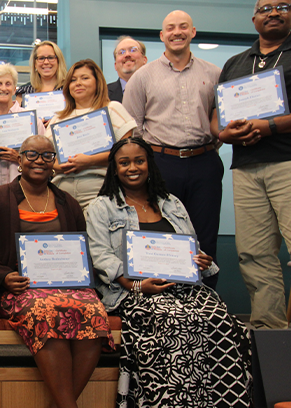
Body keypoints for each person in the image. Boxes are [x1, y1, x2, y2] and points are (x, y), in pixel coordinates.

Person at [86, 137, 252, 407]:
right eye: (124, 162)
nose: (133, 167)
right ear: (114, 168)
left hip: (185, 287)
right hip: (135, 292)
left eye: (139, 161)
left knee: (221, 319)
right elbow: (101, 256)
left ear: (149, 164)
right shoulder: (101, 207)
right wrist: (136, 286)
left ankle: (221, 401)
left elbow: (191, 245)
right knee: (174, 319)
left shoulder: (171, 202)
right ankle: (175, 399)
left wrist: (202, 260)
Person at [0, 135, 112, 408]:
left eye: (47, 156)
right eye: (31, 155)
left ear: (54, 163)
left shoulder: (68, 203)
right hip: (20, 288)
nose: (39, 161)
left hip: (67, 287)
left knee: (95, 313)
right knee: (46, 310)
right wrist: (4, 276)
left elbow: (81, 251)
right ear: (20, 160)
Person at [210, 0, 291, 329]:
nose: (274, 13)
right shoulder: (236, 63)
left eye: (283, 7)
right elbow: (218, 117)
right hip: (246, 168)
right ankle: (268, 332)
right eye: (266, 8)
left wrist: (268, 126)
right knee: (254, 254)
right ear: (254, 18)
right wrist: (224, 134)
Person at [122, 10, 222, 289]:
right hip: (162, 164)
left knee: (205, 235)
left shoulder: (214, 73)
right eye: (170, 28)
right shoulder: (142, 76)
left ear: (193, 32)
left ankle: (205, 300)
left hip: (204, 162)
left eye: (183, 27)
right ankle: (166, 300)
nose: (177, 32)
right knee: (163, 233)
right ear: (162, 36)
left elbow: (220, 122)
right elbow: (133, 128)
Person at [47, 59, 136, 211]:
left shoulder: (112, 108)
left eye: (85, 78)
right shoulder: (58, 118)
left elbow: (128, 153)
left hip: (98, 187)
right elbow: (47, 158)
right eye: (73, 80)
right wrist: (60, 166)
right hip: (62, 189)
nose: (78, 83)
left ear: (98, 82)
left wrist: (89, 161)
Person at [0, 64, 43, 195]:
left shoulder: (32, 121)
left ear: (15, 89)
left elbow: (44, 160)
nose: (3, 88)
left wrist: (19, 158)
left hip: (25, 193)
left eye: (8, 84)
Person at [15, 41, 67, 106]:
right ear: (35, 64)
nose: (46, 62)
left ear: (59, 61)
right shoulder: (23, 92)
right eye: (41, 58)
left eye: (51, 57)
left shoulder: (69, 89)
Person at [107, 36, 147, 103]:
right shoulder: (102, 94)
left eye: (133, 50)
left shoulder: (158, 90)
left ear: (144, 60)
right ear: (115, 65)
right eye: (121, 52)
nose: (127, 54)